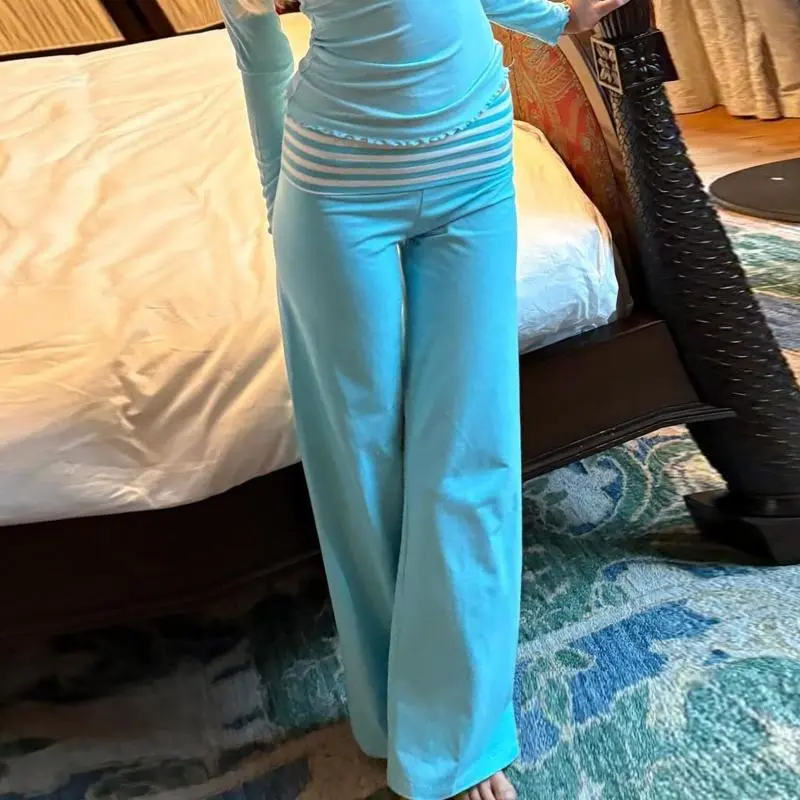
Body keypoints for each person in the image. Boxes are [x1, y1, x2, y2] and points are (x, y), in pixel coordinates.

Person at [218, 1, 629, 798]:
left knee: (473, 450)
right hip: (335, 190)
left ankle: (457, 735)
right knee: (358, 461)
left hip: (477, 168)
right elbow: (257, 48)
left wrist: (557, 16)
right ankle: (390, 714)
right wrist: (280, 212)